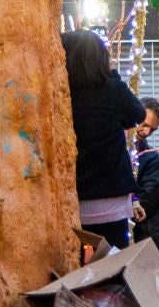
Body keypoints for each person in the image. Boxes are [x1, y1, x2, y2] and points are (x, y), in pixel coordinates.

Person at [62, 30, 146, 251]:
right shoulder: (112, 88)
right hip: (112, 195)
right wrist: (114, 77)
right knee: (111, 265)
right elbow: (138, 114)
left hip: (76, 196)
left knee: (76, 266)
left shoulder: (64, 92)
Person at [132, 99, 159, 254]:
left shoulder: (153, 160)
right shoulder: (121, 151)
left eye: (152, 129)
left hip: (146, 242)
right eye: (143, 124)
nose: (147, 132)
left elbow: (145, 204)